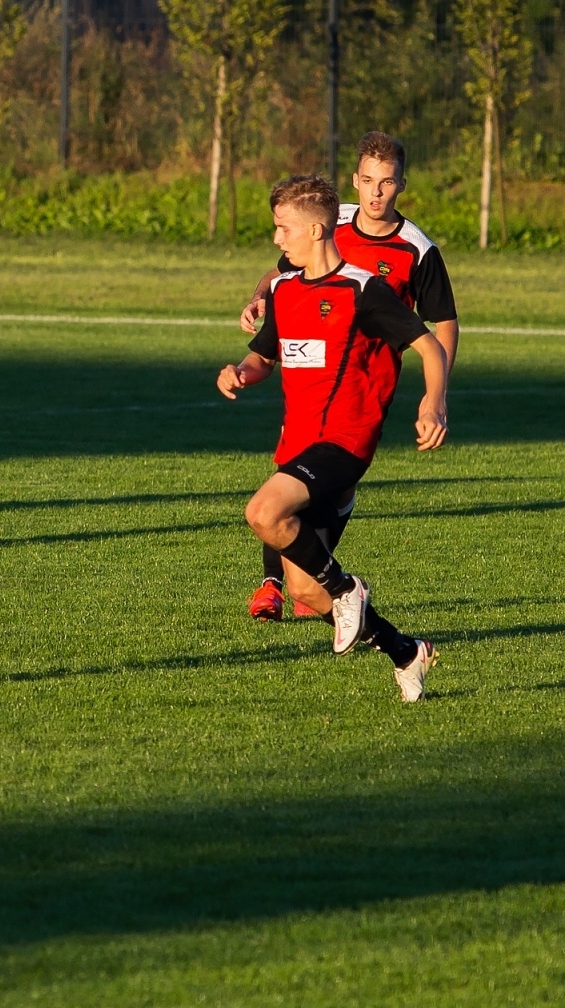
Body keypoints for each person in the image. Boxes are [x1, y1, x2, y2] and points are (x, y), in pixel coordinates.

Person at [218, 175, 448, 702]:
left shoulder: (363, 289)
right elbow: (266, 356)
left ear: (317, 229)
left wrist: (432, 401)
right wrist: (242, 371)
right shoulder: (283, 289)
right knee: (302, 588)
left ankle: (349, 590)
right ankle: (406, 651)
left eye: (284, 229)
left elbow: (429, 347)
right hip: (297, 444)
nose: (277, 240)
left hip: (345, 441)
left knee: (262, 513)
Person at [238, 132, 458, 621]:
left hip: (366, 389)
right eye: (367, 181)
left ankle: (331, 586)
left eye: (386, 183)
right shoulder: (325, 223)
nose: (375, 193)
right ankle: (278, 583)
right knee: (289, 475)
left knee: (301, 495)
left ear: (402, 184)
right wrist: (259, 299)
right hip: (312, 373)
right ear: (355, 180)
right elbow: (278, 276)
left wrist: (435, 398)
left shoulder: (414, 250)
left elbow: (440, 327)